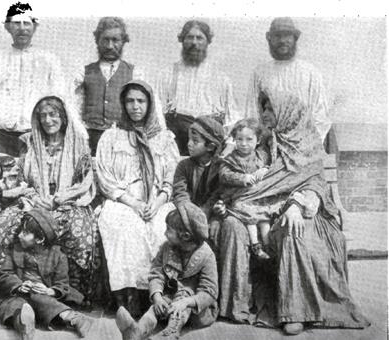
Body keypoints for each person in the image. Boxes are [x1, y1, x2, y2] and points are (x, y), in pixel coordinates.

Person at [214, 91, 370, 335]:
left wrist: (297, 204)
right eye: (263, 109)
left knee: (294, 229)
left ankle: (297, 311)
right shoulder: (264, 142)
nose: (264, 114)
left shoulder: (308, 143)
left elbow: (317, 183)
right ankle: (250, 307)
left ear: (287, 113)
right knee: (251, 226)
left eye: (270, 110)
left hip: (308, 210)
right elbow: (245, 178)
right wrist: (229, 202)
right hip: (264, 209)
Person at [0, 95, 102, 312]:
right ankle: (8, 292)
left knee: (81, 233)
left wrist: (63, 198)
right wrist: (34, 197)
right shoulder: (30, 142)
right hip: (34, 198)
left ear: (62, 117)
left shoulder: (78, 143)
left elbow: (85, 181)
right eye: (42, 115)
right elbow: (21, 176)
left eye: (52, 114)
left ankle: (70, 296)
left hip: (68, 201)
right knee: (6, 224)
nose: (47, 120)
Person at [96, 80, 180, 317]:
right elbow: (105, 177)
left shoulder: (164, 138)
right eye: (130, 101)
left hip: (157, 199)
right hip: (124, 199)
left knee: (162, 228)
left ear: (150, 104)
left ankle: (160, 294)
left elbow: (172, 177)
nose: (135, 107)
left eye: (141, 101)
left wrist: (158, 201)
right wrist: (133, 203)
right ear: (123, 104)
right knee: (123, 226)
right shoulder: (112, 137)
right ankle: (130, 298)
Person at [115, 202, 218, 340]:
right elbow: (156, 274)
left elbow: (209, 291)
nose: (165, 233)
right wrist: (157, 296)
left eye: (169, 230)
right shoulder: (166, 248)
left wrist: (186, 302)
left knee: (183, 296)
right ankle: (138, 330)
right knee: (156, 307)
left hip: (196, 311)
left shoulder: (206, 255)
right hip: (169, 299)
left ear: (185, 236)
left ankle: (170, 332)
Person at [0, 2, 68, 156]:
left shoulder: (49, 59)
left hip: (36, 136)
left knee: (33, 177)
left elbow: (59, 99)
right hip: (2, 138)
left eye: (26, 23)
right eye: (16, 23)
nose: (22, 28)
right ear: (7, 26)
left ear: (34, 26)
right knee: (3, 177)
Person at [0, 209, 95, 340]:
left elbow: (62, 283)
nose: (19, 235)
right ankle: (24, 324)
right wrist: (18, 285)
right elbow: (5, 274)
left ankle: (73, 319)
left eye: (25, 233)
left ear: (39, 239)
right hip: (18, 295)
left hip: (42, 298)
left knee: (42, 301)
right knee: (12, 306)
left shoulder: (58, 256)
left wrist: (50, 291)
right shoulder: (16, 250)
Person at [156, 20, 241, 155]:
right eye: (189, 37)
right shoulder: (167, 75)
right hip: (177, 144)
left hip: (211, 144)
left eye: (199, 38)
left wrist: (229, 147)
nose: (194, 43)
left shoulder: (221, 78)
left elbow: (233, 117)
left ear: (207, 42)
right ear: (182, 40)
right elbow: (157, 112)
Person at [245, 17, 331, 143]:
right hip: (269, 143)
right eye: (277, 36)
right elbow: (252, 112)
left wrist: (307, 145)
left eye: (287, 36)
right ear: (270, 39)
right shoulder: (260, 73)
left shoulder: (310, 73)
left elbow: (320, 115)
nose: (282, 41)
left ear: (295, 39)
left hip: (302, 144)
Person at [74, 17, 150, 155]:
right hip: (90, 138)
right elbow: (75, 106)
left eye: (115, 40)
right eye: (105, 40)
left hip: (123, 139)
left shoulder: (134, 73)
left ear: (123, 42)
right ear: (97, 41)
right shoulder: (84, 72)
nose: (109, 46)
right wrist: (81, 133)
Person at [217, 118, 272, 260]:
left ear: (258, 140)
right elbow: (224, 175)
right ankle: (256, 246)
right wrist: (243, 178)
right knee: (250, 216)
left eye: (249, 139)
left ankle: (268, 245)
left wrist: (265, 170)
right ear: (234, 139)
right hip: (239, 196)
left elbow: (271, 168)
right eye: (239, 139)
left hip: (258, 196)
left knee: (264, 218)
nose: (244, 144)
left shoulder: (262, 156)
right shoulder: (231, 158)